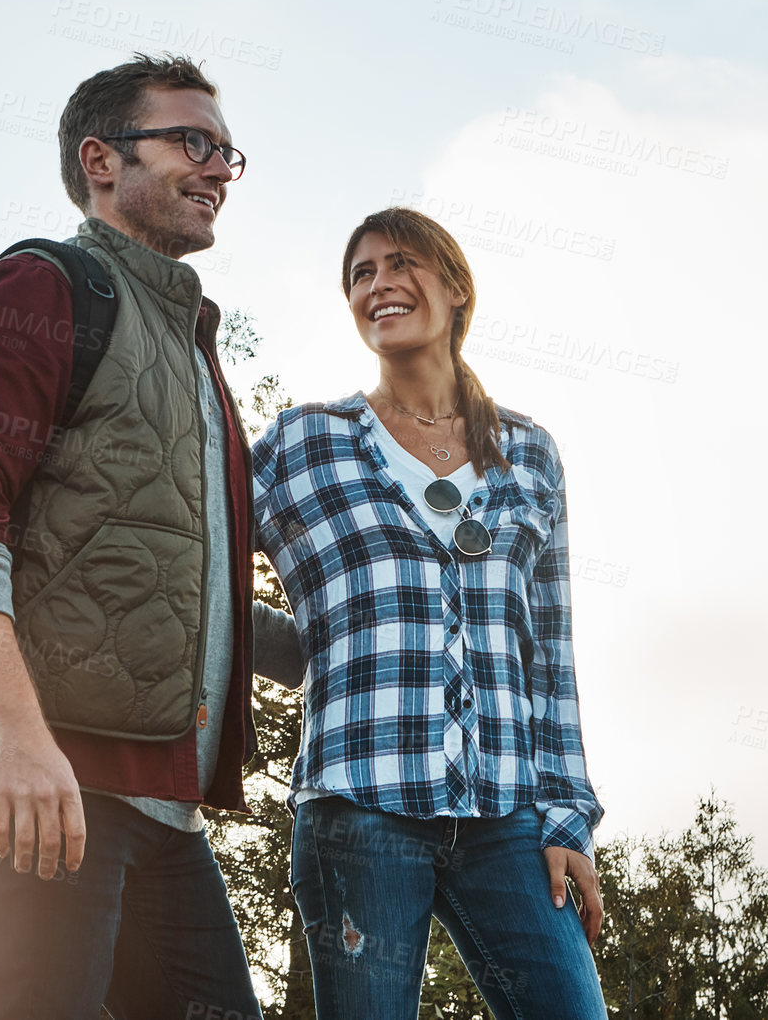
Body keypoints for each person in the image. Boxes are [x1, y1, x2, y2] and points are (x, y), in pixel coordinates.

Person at [0, 53, 297, 1020]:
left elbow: (181, 595)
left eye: (227, 153)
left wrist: (367, 643)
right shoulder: (46, 286)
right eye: (191, 141)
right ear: (101, 160)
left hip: (157, 799)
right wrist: (17, 737)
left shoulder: (188, 344)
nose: (216, 169)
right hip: (38, 775)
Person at [250, 207, 608, 1018]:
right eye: (360, 274)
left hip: (510, 816)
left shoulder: (528, 451)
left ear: (454, 287)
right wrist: (302, 652)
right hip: (357, 807)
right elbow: (190, 553)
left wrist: (567, 816)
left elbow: (548, 653)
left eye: (399, 262)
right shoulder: (303, 442)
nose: (378, 284)